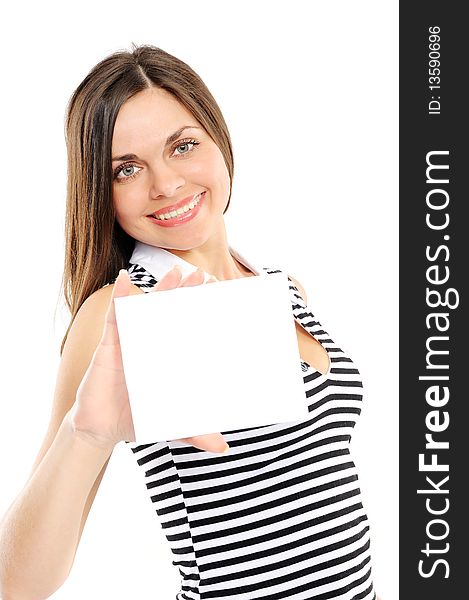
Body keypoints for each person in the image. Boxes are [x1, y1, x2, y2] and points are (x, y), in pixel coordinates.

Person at [0, 44, 379, 600]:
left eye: (182, 146)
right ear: (100, 192)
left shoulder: (280, 286)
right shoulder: (120, 312)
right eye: (126, 169)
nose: (166, 184)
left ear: (218, 139)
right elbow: (16, 584)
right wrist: (88, 435)